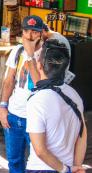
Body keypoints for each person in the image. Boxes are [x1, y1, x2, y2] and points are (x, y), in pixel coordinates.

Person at [25, 39, 87, 173]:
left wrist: (65, 170)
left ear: (40, 65)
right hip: (68, 166)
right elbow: (82, 135)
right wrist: (76, 166)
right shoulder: (75, 95)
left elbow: (40, 150)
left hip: (42, 168)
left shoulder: (37, 100)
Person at [0, 15, 45, 173]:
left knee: (37, 164)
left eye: (35, 32)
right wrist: (3, 106)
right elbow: (9, 81)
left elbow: (42, 86)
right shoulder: (17, 51)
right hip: (15, 114)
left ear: (42, 33)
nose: (30, 36)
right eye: (27, 31)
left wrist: (31, 54)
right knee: (14, 161)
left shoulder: (48, 55)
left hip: (38, 118)